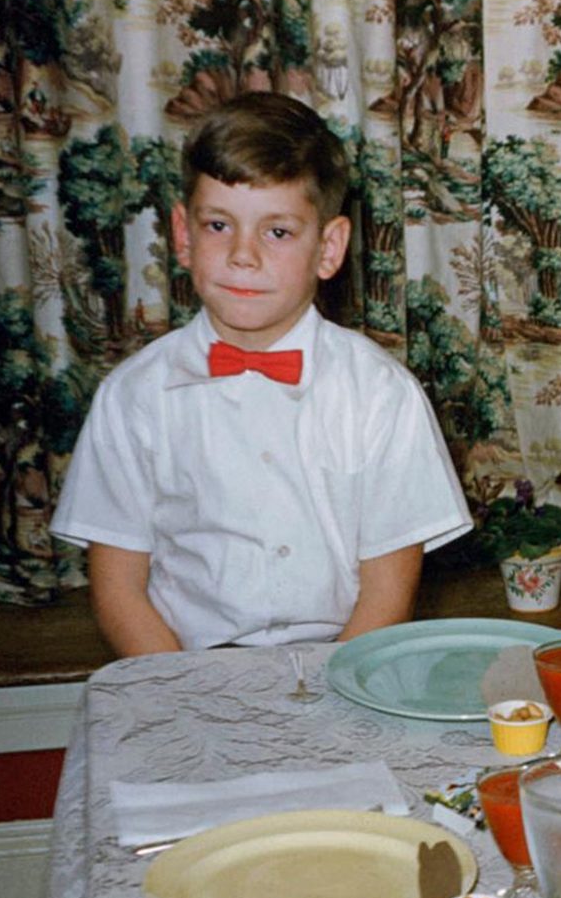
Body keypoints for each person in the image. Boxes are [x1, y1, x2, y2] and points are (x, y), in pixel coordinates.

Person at [51, 93, 471, 656]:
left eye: (277, 232)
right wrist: (182, 689)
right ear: (183, 235)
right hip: (182, 666)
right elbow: (118, 589)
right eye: (218, 225)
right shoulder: (132, 396)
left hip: (341, 661)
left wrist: (325, 694)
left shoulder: (381, 393)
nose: (242, 255)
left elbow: (387, 595)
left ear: (329, 247)